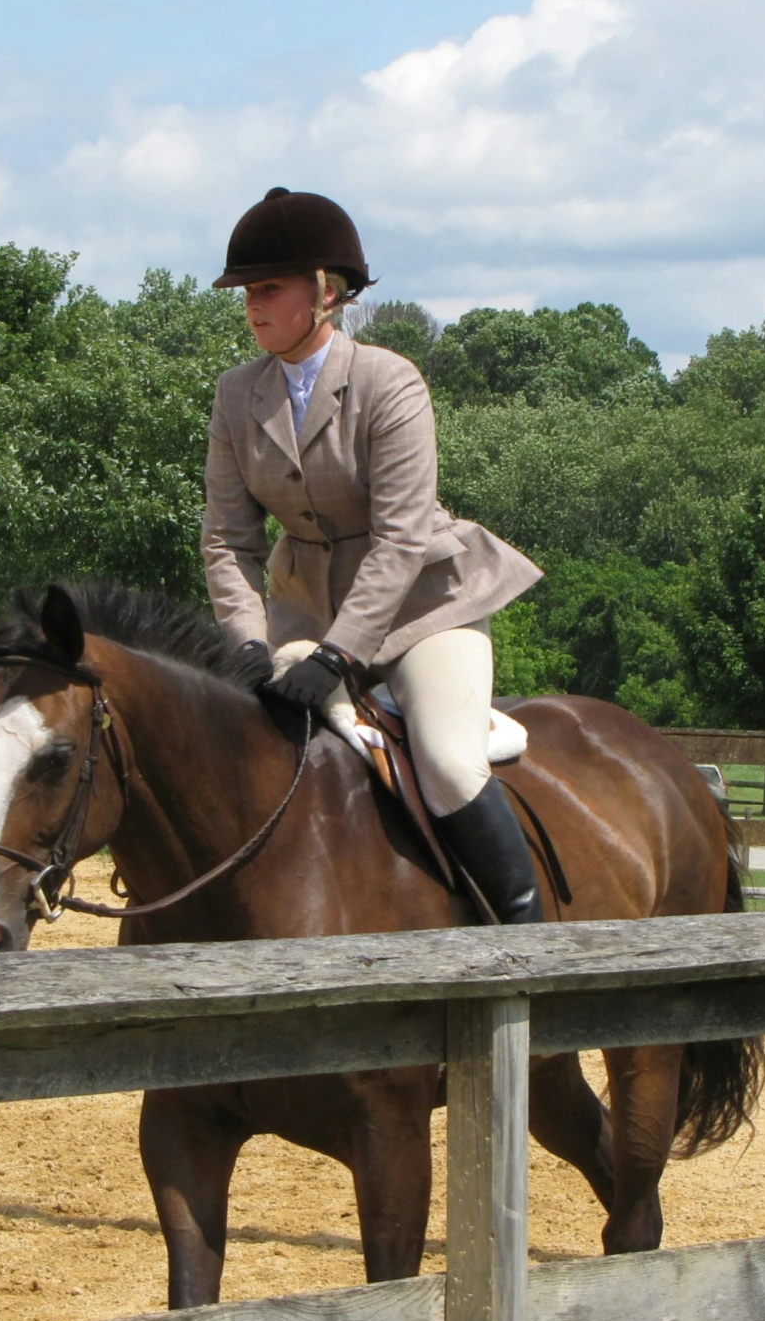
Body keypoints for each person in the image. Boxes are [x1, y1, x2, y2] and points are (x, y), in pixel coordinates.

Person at [202, 187, 547, 922]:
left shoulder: (390, 382)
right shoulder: (236, 396)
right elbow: (228, 541)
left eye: (268, 288)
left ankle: (526, 937)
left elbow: (398, 539)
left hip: (423, 605)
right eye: (246, 292)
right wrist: (249, 648)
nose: (251, 305)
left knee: (450, 765)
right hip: (301, 613)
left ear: (326, 292)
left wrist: (339, 656)